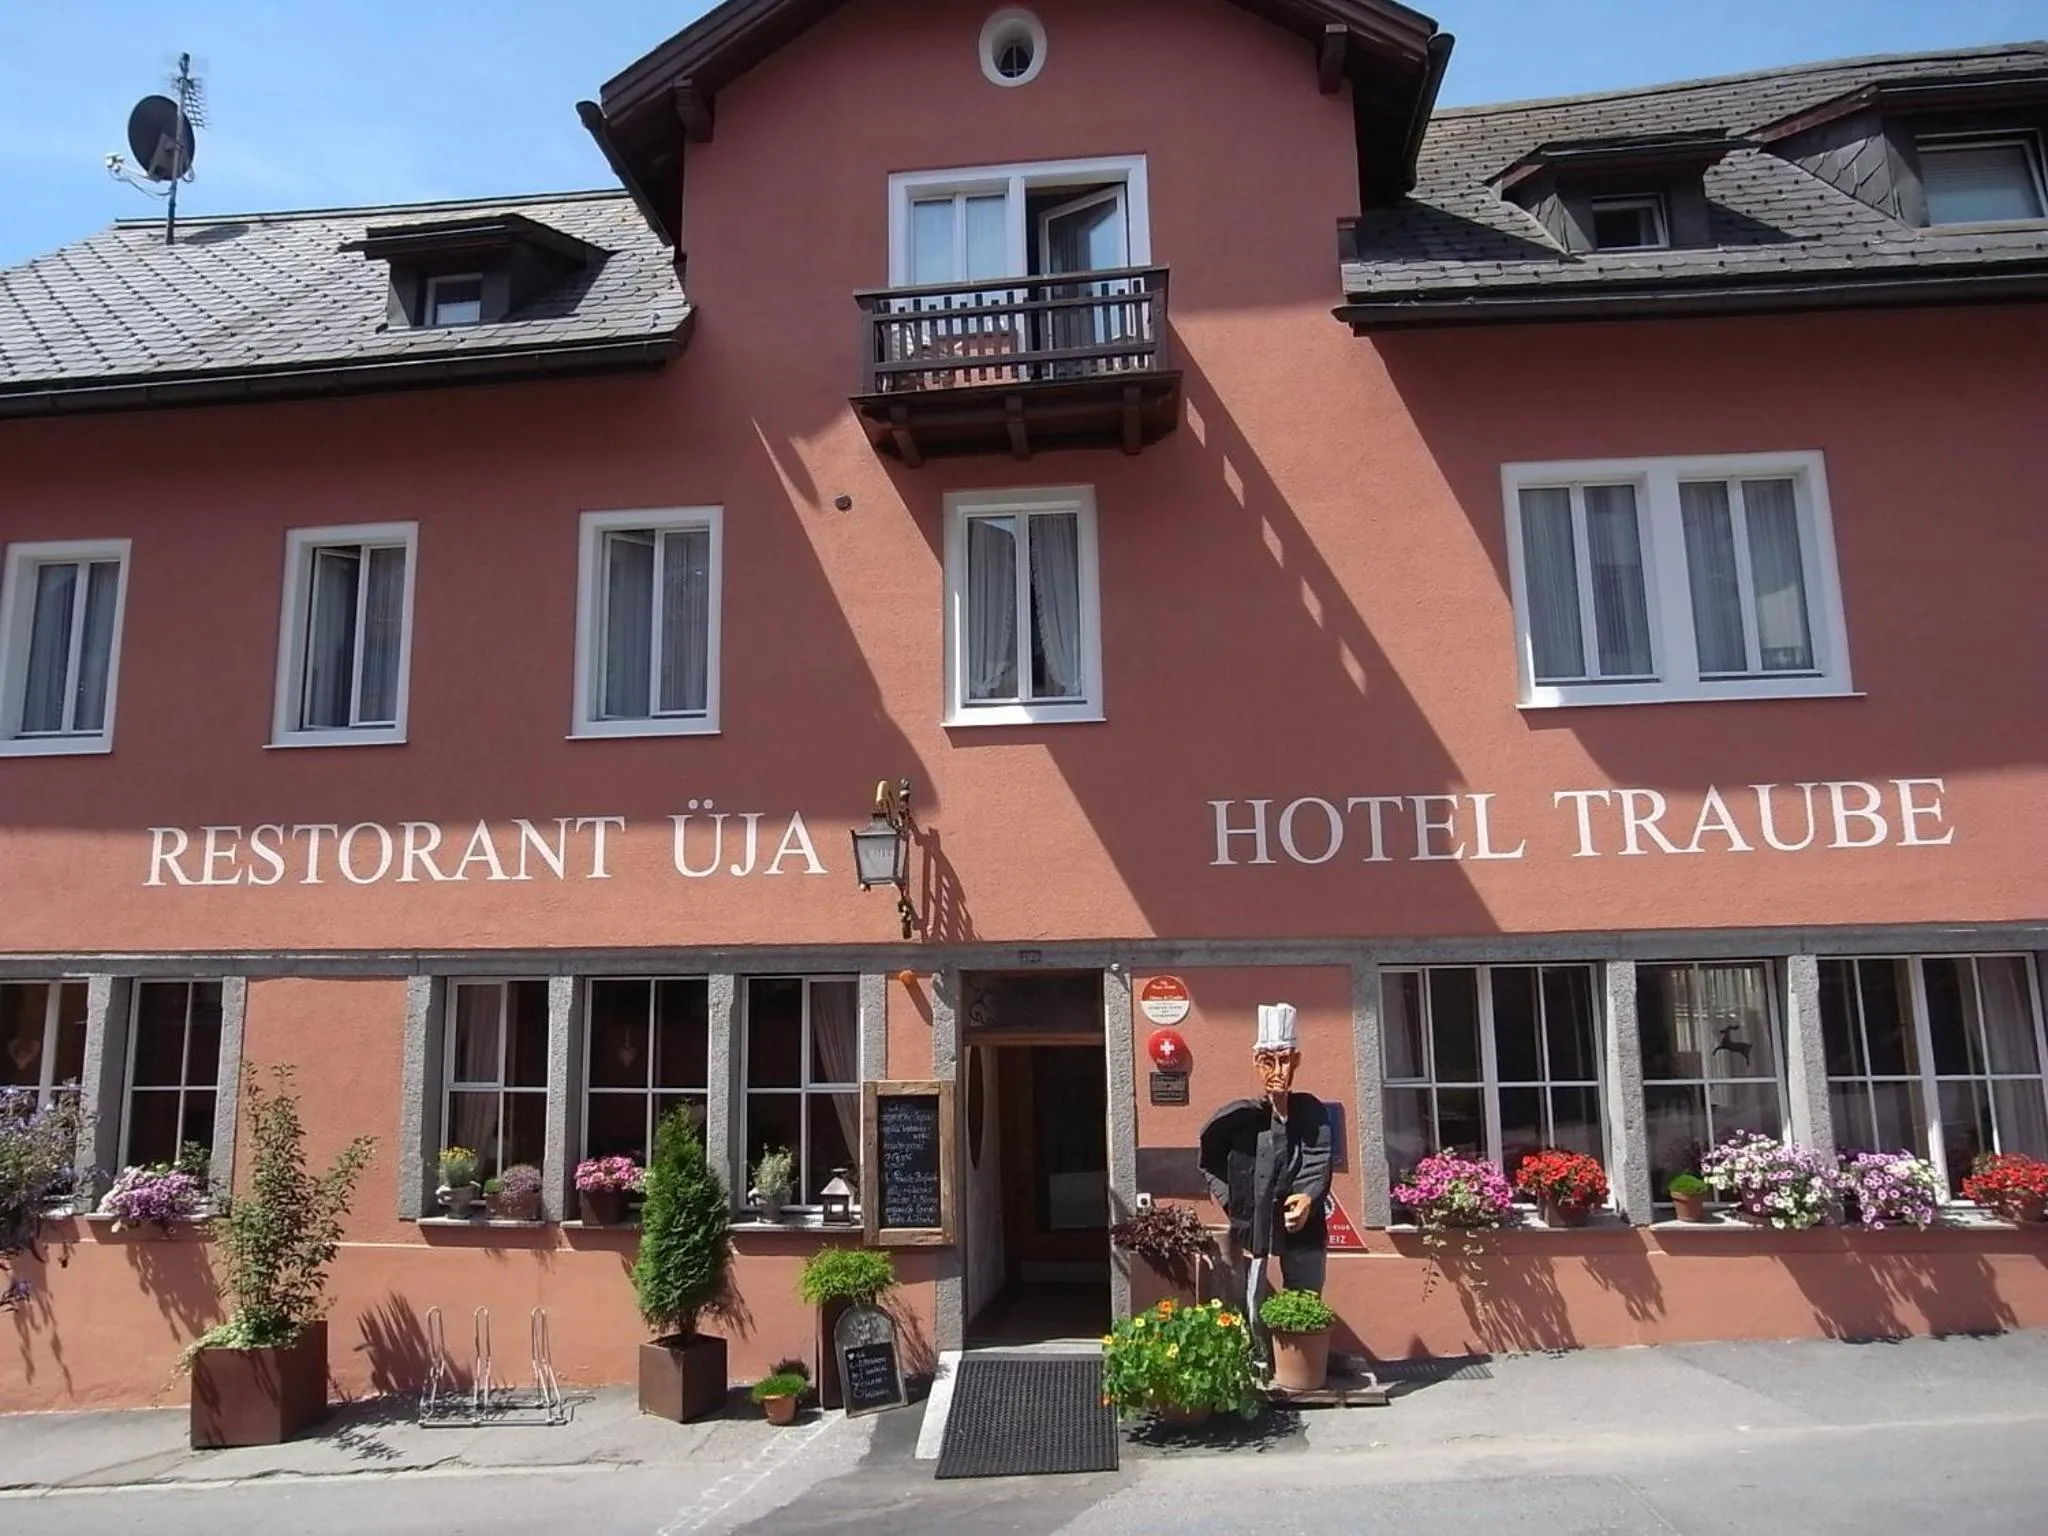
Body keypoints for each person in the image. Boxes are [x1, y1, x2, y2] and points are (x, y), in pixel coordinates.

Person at [1196, 1003, 1332, 1367]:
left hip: (1304, 1227)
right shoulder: (1238, 1119)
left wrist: (1307, 1197)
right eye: (1268, 1061)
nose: (1277, 1071)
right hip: (1255, 1225)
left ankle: (1300, 1360)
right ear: (1256, 1062)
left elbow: (1319, 1157)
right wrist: (1233, 1202)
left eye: (1285, 1060)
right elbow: (1209, 1162)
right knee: (1253, 1296)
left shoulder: (1311, 1113)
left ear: (1297, 1061)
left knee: (1305, 1291)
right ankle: (1260, 1357)